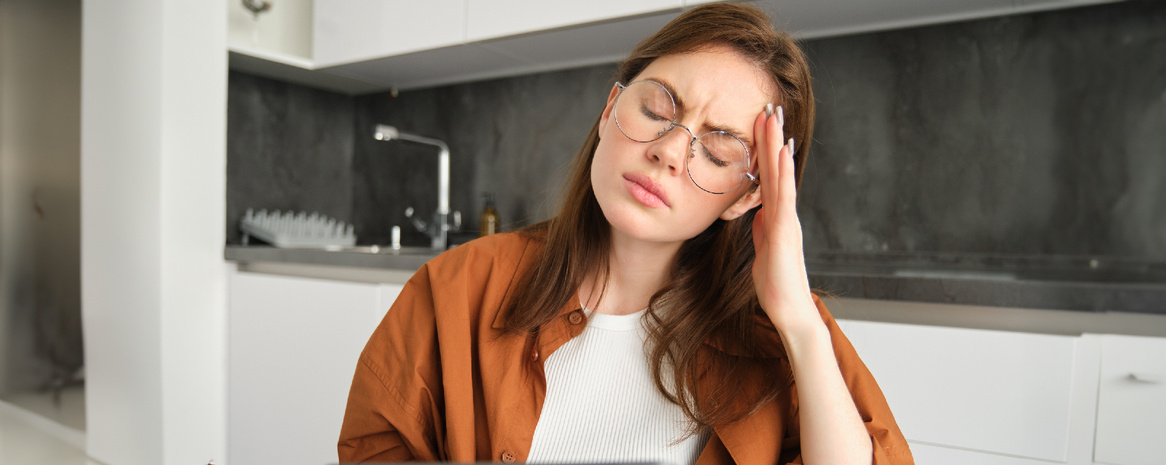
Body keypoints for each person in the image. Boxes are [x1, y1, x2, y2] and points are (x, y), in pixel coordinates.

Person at [338, 4, 913, 465]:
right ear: (610, 107)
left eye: (718, 150)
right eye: (658, 109)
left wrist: (799, 323)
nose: (669, 150)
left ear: (746, 196)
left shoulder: (784, 334)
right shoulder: (456, 286)